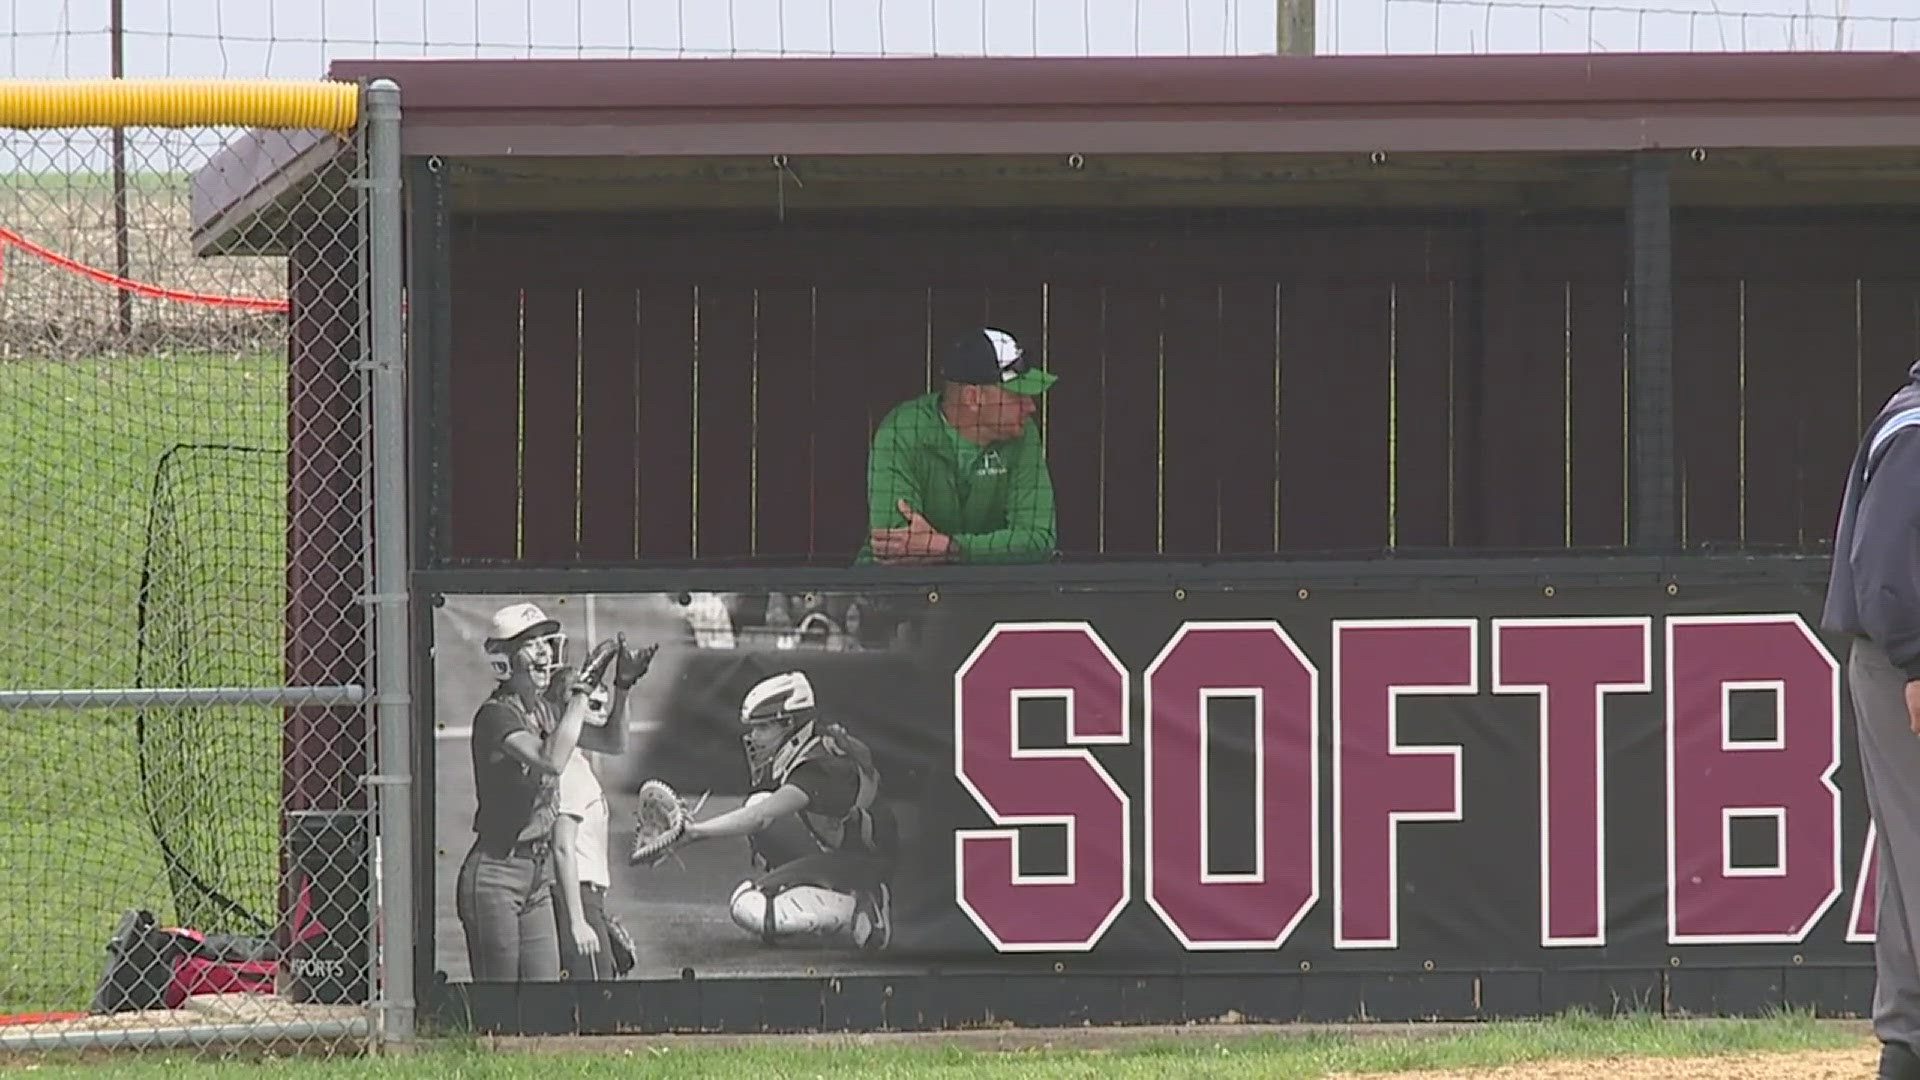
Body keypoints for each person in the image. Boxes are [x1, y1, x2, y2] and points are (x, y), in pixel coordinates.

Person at [1824, 359, 1920, 1080]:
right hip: (1903, 664)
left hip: (1902, 659)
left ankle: (1907, 1039)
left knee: (1910, 856)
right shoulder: (1915, 426)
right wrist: (1916, 660)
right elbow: (1882, 561)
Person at [662, 670, 896, 951]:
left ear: (788, 724)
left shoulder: (820, 766)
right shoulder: (814, 747)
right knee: (758, 801)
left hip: (867, 866)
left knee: (750, 907)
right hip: (844, 853)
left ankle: (862, 906)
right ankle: (825, 896)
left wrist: (695, 832)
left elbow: (760, 816)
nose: (753, 736)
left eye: (762, 727)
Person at [454, 602, 621, 982]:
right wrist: (580, 694)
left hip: (537, 875)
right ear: (504, 660)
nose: (544, 651)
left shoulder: (544, 713)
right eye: (530, 643)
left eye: (546, 640)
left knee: (544, 999)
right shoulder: (496, 714)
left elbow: (611, 741)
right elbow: (550, 759)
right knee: (499, 1005)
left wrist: (621, 688)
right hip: (496, 872)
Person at [861, 327, 1058, 565]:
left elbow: (1039, 540)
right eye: (1017, 396)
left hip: (986, 591)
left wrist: (949, 547)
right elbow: (894, 545)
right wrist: (991, 551)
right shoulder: (902, 431)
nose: (1030, 407)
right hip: (893, 594)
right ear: (973, 398)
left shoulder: (1022, 432)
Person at [551, 637, 656, 981]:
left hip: (583, 894)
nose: (597, 702)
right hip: (575, 894)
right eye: (586, 696)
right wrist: (578, 920)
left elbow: (616, 742)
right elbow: (563, 846)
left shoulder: (572, 758)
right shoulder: (566, 767)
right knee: (596, 1000)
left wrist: (623, 687)